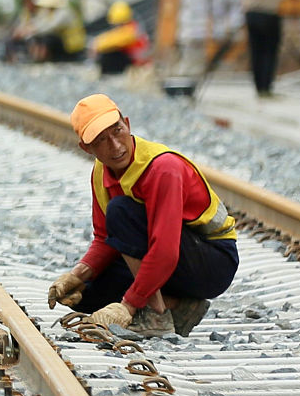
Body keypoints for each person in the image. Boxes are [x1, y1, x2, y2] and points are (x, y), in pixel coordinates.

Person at [46, 93, 239, 337]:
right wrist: (77, 275)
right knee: (86, 295)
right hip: (172, 259)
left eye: (117, 131)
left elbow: (166, 251)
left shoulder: (162, 169)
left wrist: (128, 306)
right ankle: (180, 306)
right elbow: (105, 238)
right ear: (87, 148)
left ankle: (156, 313)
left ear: (127, 124)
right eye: (101, 140)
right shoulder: (100, 173)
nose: (115, 146)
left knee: (120, 211)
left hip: (211, 262)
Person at [11, 0, 86, 62]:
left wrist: (31, 30)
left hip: (72, 45)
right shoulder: (51, 12)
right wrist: (26, 29)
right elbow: (42, 23)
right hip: (65, 43)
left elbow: (50, 26)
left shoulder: (64, 12)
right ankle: (34, 58)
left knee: (48, 38)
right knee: (39, 37)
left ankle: (41, 58)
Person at [90, 0, 151, 76]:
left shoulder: (131, 30)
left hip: (136, 61)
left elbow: (117, 39)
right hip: (135, 60)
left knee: (108, 54)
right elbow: (114, 36)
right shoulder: (132, 27)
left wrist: (97, 43)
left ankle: (111, 74)